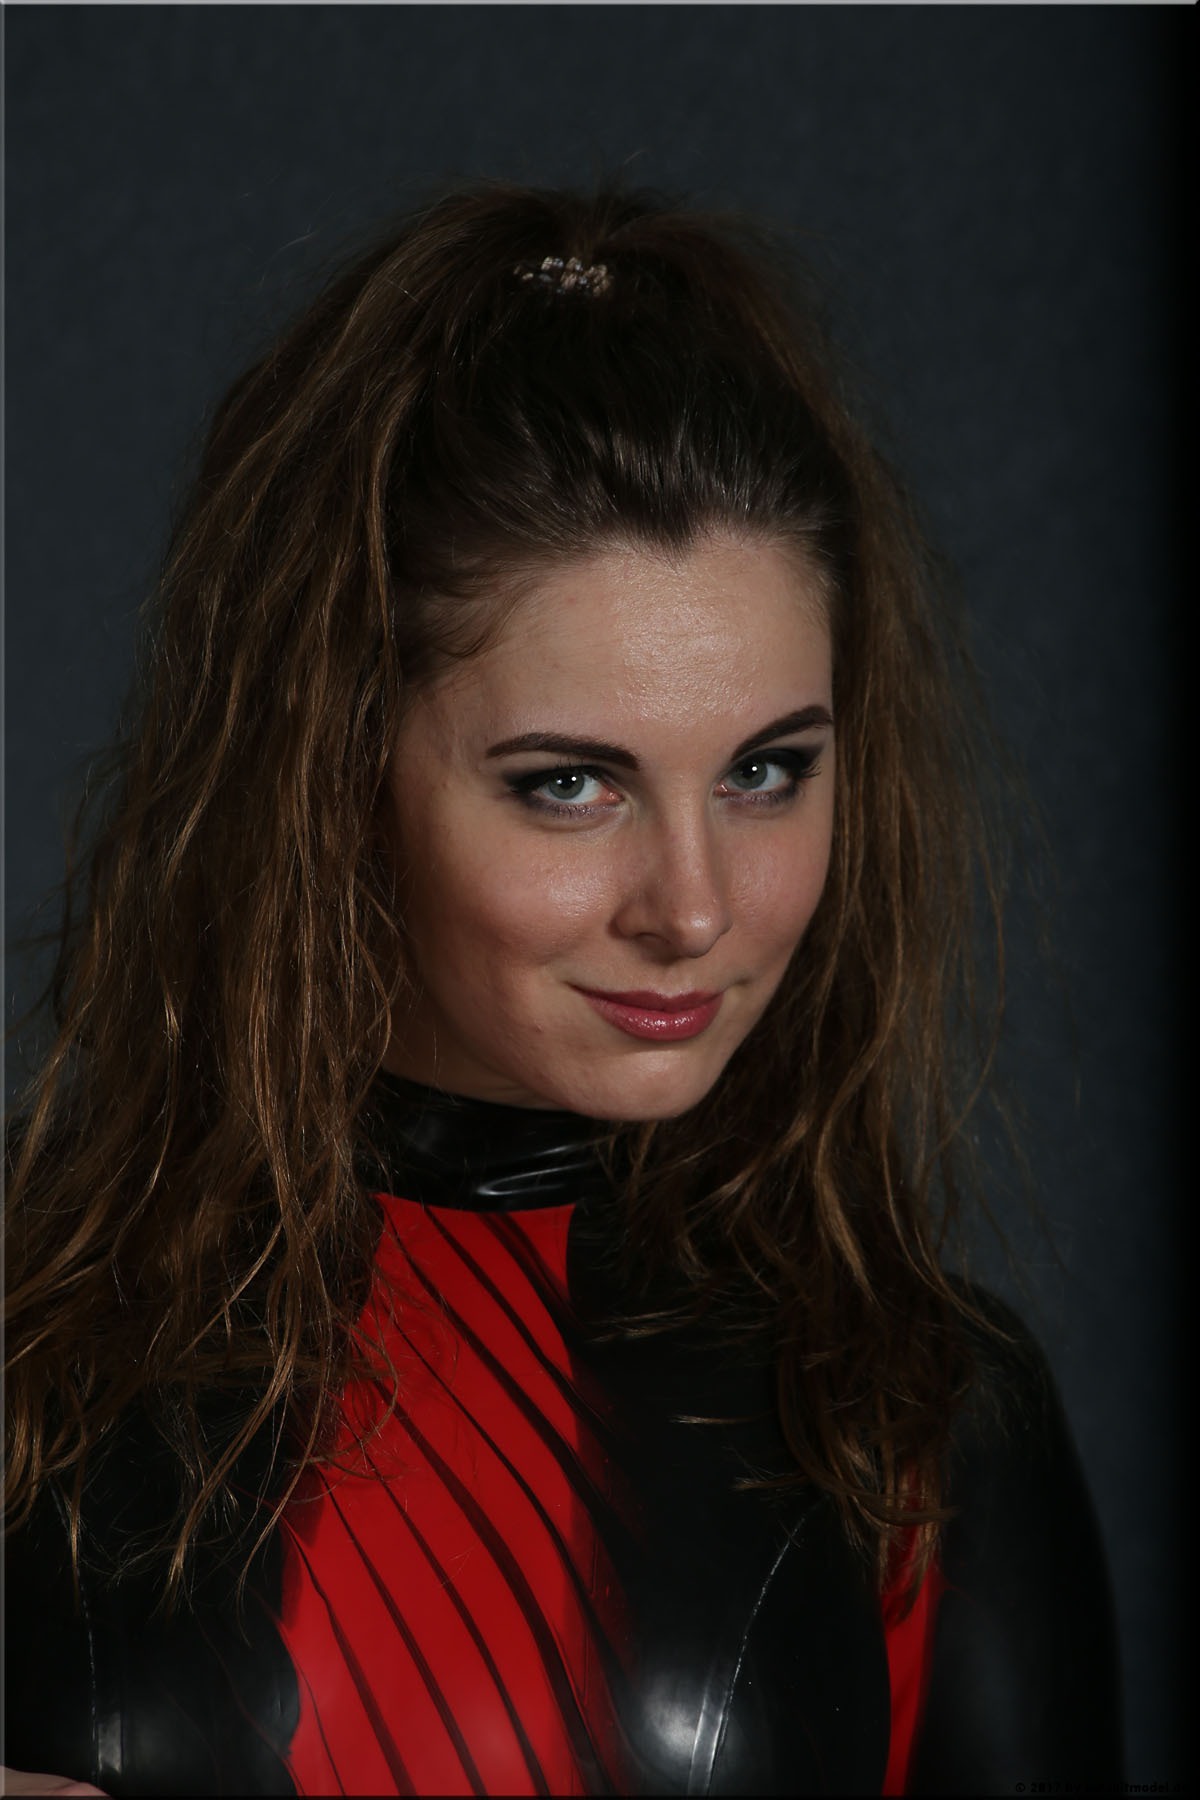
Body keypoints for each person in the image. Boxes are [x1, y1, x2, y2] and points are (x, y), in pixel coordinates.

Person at [3, 182, 1122, 1797]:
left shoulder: (919, 1419)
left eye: (766, 771)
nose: (697, 906)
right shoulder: (29, 1328)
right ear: (332, 771)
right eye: (570, 785)